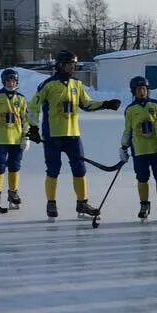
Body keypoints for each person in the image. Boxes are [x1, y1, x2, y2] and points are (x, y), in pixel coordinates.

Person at [28, 49, 120, 220]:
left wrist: (105, 104)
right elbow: (33, 106)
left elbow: (86, 104)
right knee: (53, 170)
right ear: (60, 65)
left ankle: (82, 203)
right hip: (53, 136)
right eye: (69, 65)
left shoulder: (77, 85)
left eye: (74, 65)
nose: (72, 68)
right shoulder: (48, 85)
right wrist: (33, 128)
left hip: (73, 135)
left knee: (80, 169)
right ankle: (51, 202)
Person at [114, 76, 157, 220]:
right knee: (142, 178)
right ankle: (144, 205)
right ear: (134, 92)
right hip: (139, 150)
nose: (142, 92)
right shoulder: (131, 110)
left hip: (156, 149)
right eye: (139, 89)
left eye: (144, 89)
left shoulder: (155, 105)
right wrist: (124, 147)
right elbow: (128, 130)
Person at [0, 68, 30, 212]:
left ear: (17, 82)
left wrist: (26, 136)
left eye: (13, 80)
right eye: (8, 80)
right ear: (3, 81)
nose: (11, 83)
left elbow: (26, 119)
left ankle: (13, 193)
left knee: (15, 166)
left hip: (16, 140)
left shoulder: (21, 99)